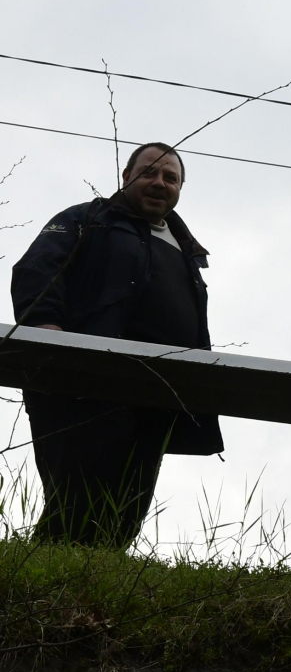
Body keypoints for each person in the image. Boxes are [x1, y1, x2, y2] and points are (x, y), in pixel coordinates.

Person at [9, 142, 224, 546]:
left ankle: (95, 590)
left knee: (126, 505)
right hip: (84, 382)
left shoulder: (187, 249)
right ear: (127, 178)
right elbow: (37, 268)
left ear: (180, 189)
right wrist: (46, 327)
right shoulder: (88, 219)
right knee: (75, 498)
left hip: (158, 392)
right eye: (149, 173)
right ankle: (47, 588)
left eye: (171, 178)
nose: (160, 183)